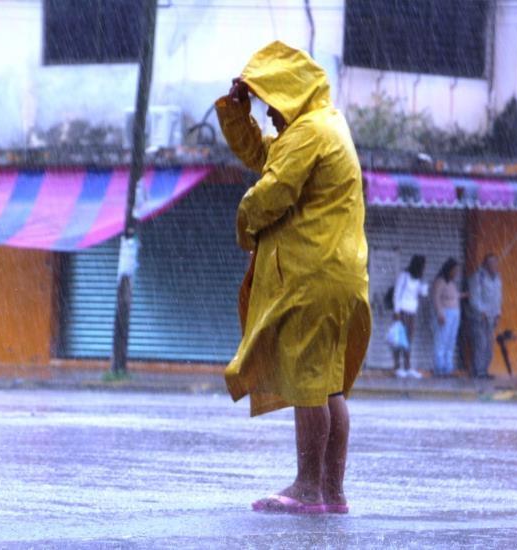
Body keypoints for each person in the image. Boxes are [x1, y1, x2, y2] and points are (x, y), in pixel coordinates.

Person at [215, 41, 371, 515]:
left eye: (270, 105)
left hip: (313, 275)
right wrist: (237, 114)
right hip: (338, 274)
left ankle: (307, 486)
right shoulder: (326, 124)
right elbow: (267, 157)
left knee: (308, 382)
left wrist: (244, 224)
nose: (271, 117)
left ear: (289, 95)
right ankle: (331, 490)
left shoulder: (309, 132)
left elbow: (271, 190)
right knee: (328, 386)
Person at [392, 255, 428, 379]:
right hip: (402, 311)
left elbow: (423, 293)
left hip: (412, 312)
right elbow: (397, 293)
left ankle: (407, 367)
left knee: (408, 340)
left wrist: (423, 284)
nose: (424, 268)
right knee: (399, 339)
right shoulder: (404, 276)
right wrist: (396, 311)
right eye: (422, 266)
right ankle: (397, 367)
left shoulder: (418, 279)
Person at [467, 254, 502, 379]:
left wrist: (498, 313)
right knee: (480, 344)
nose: (495, 266)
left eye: (496, 263)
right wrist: (483, 312)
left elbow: (498, 297)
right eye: (492, 263)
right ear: (485, 265)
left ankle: (484, 370)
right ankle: (478, 371)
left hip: (492, 318)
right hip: (479, 317)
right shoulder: (478, 277)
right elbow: (474, 298)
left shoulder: (497, 278)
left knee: (489, 345)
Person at [431, 258, 463, 377]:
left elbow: (454, 296)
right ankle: (439, 368)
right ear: (449, 270)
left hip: (455, 314)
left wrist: (464, 295)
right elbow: (436, 297)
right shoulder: (440, 281)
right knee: (442, 340)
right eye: (454, 270)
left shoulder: (451, 283)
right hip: (445, 314)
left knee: (451, 340)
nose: (456, 273)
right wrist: (440, 313)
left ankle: (447, 368)